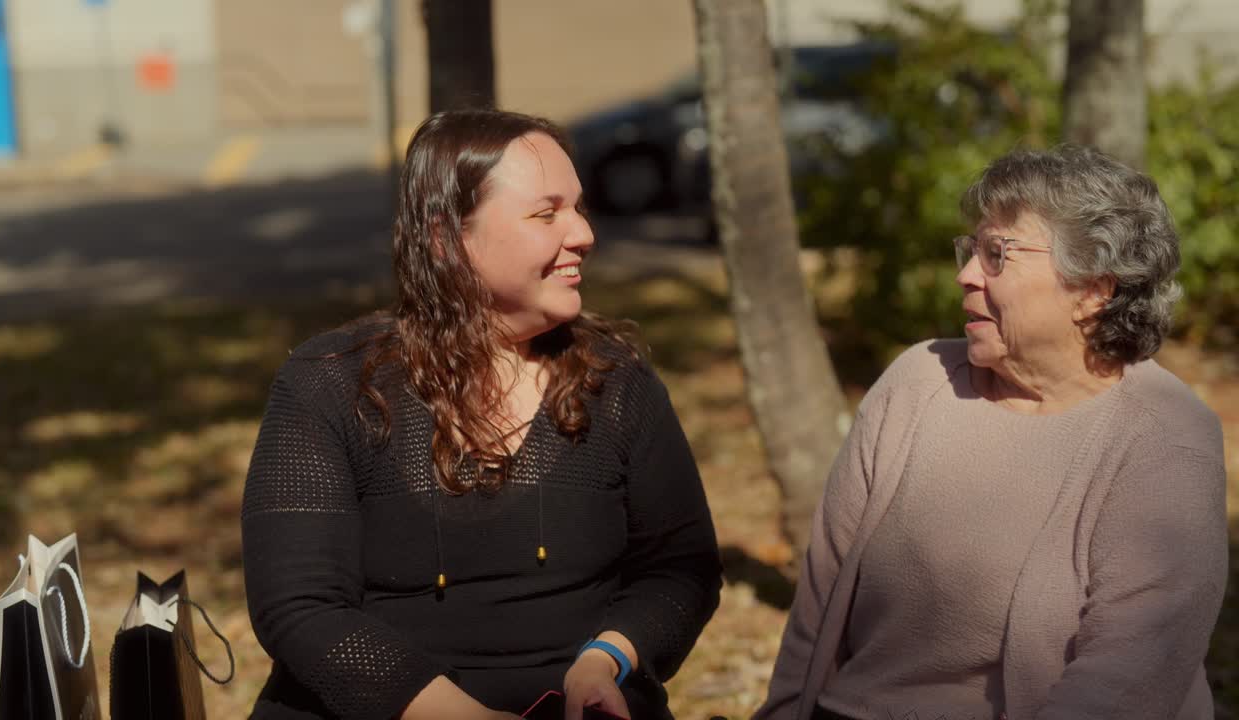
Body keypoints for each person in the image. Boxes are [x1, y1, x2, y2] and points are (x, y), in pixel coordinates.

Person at [241, 109, 722, 720]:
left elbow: (681, 571)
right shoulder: (332, 383)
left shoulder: (616, 382)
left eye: (577, 207)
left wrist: (608, 658)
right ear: (446, 239)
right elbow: (300, 608)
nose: (582, 233)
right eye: (546, 214)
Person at [756, 145, 1227, 720]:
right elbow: (819, 601)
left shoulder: (1163, 438)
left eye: (996, 254)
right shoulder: (916, 382)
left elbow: (1127, 678)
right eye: (970, 250)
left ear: (1092, 291)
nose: (965, 274)